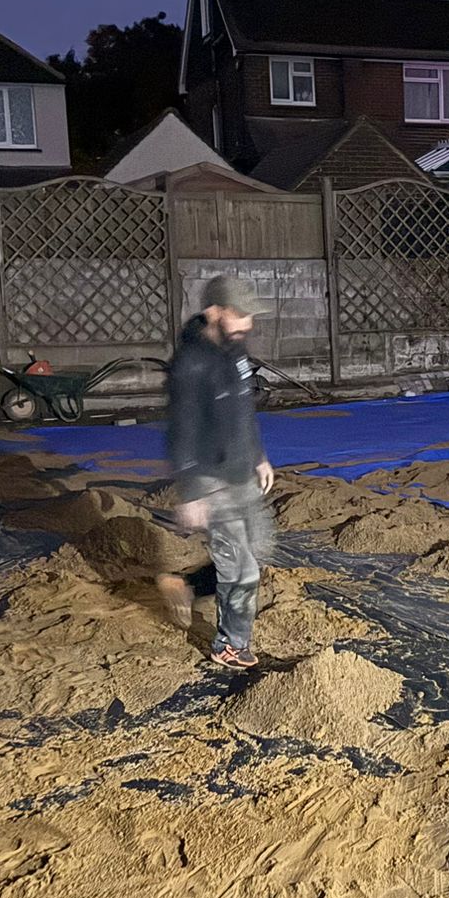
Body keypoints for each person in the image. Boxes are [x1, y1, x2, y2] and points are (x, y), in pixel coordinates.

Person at [165, 274, 276, 668]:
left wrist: (259, 456)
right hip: (212, 479)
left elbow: (244, 409)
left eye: (249, 316)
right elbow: (182, 429)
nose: (247, 324)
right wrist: (192, 491)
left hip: (242, 468)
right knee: (242, 570)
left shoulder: (236, 351)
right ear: (214, 311)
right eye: (239, 314)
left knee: (258, 549)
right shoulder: (191, 364)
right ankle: (229, 645)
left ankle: (188, 585)